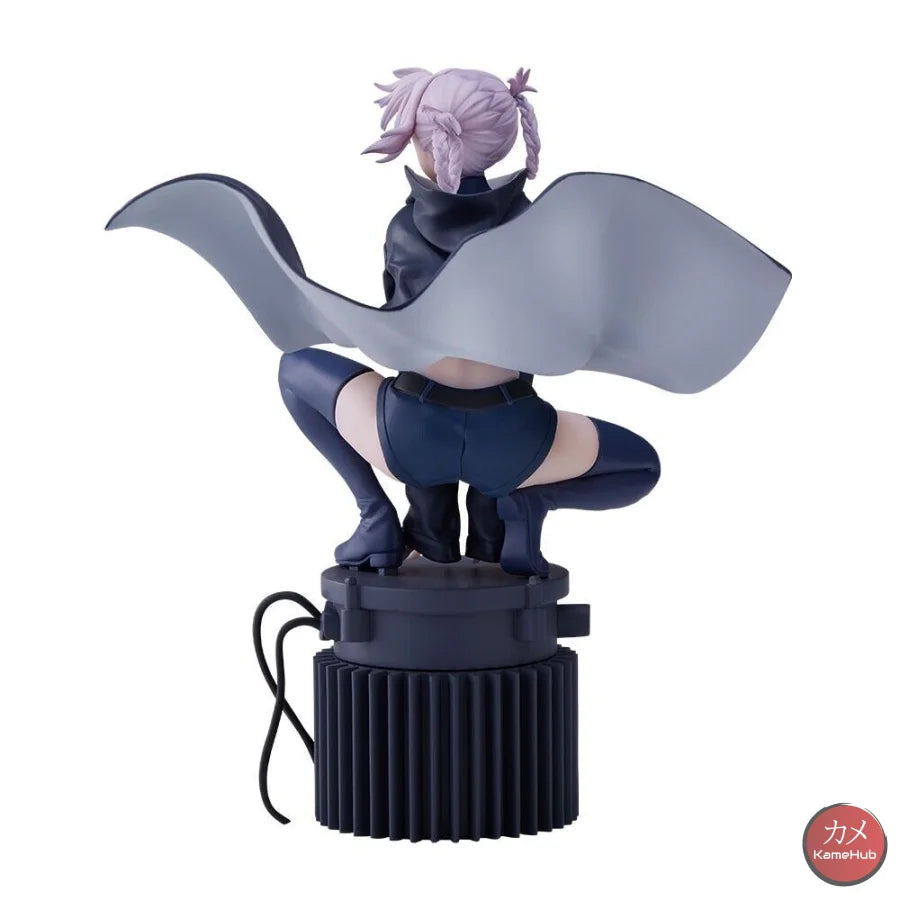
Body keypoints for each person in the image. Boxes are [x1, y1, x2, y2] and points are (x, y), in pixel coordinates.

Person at [277, 68, 660, 576]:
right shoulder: (539, 229)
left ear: (426, 141)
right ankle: (518, 507)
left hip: (408, 434)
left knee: (295, 368)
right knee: (642, 464)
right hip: (513, 440)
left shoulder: (403, 230)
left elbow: (400, 338)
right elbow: (545, 333)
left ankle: (381, 519)